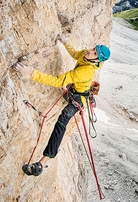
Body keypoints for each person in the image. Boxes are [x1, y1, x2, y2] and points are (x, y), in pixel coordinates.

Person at [13, 34, 110, 176]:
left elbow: (58, 81)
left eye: (94, 53)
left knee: (62, 120)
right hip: (75, 90)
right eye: (93, 49)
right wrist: (66, 42)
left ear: (97, 59)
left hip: (79, 99)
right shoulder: (87, 55)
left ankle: (42, 163)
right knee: (63, 115)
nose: (90, 51)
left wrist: (31, 73)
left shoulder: (85, 72)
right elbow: (77, 54)